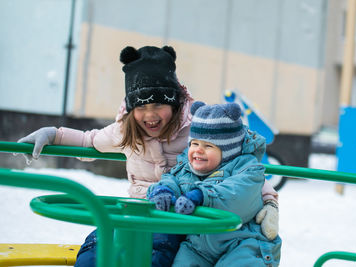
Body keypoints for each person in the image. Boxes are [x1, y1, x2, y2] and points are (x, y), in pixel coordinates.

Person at [17, 45, 279, 266]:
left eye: (159, 105)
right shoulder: (125, 130)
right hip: (136, 211)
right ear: (132, 109)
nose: (150, 115)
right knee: (98, 247)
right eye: (141, 107)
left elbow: (240, 163)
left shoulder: (196, 130)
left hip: (178, 216)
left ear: (174, 103)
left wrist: (269, 201)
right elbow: (89, 140)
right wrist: (53, 134)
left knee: (153, 252)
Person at [147, 101, 281, 267]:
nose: (198, 150)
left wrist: (203, 196)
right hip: (197, 245)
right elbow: (172, 179)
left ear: (227, 151)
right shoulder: (186, 168)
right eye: (194, 143)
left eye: (208, 146)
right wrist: (163, 190)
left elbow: (238, 195)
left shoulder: (247, 169)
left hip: (240, 241)